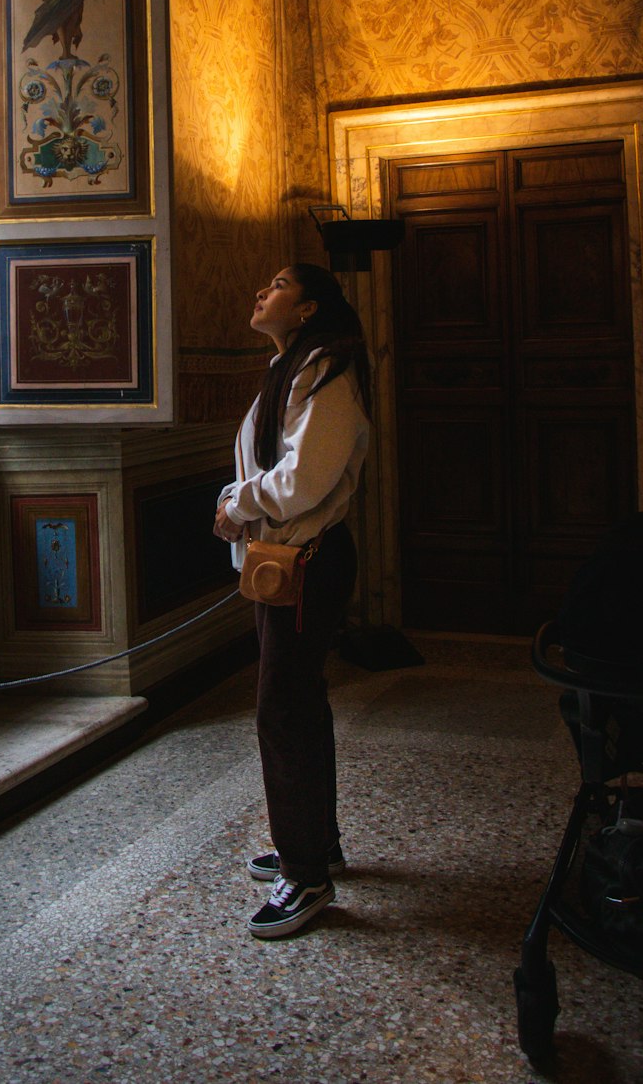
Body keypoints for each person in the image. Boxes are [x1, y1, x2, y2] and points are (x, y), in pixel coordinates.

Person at [214, 263, 371, 939]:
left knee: (283, 707)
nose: (259, 290)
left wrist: (235, 502)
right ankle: (316, 838)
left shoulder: (325, 367)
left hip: (308, 562)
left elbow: (306, 477)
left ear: (308, 308)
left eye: (275, 283)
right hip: (284, 561)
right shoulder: (289, 364)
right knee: (299, 700)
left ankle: (306, 876)